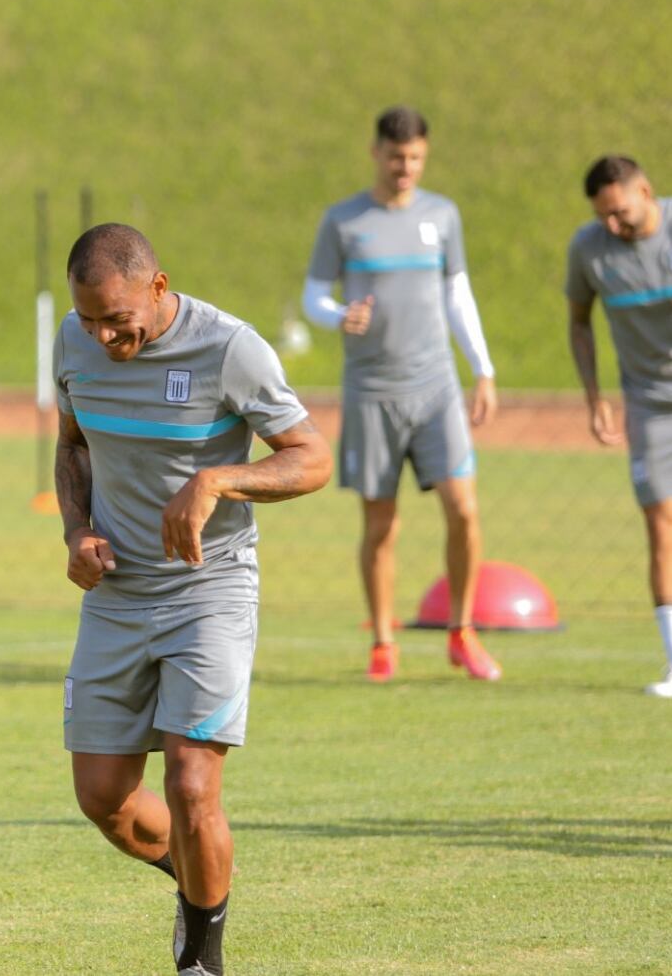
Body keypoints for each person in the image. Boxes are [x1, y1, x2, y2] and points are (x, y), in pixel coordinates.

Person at [56, 223, 330, 976]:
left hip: (209, 587)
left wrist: (218, 480)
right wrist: (77, 531)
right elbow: (73, 444)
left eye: (118, 319)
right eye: (88, 319)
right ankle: (202, 882)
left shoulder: (230, 348)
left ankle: (201, 961)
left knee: (190, 783)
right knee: (104, 798)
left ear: (158, 286)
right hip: (117, 591)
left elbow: (312, 458)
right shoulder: (72, 341)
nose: (103, 336)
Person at [302, 106, 502, 682]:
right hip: (372, 391)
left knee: (464, 510)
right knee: (381, 524)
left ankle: (461, 632)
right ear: (376, 153)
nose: (405, 167)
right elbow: (314, 297)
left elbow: (458, 294)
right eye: (396, 157)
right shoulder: (344, 221)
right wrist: (339, 315)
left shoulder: (442, 215)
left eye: (415, 157)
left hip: (436, 386)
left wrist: (482, 369)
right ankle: (383, 643)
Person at [564, 155, 672, 698]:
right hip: (649, 405)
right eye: (602, 216)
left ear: (646, 192)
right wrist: (594, 397)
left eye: (620, 213)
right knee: (661, 524)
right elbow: (579, 323)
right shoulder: (589, 249)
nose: (612, 225)